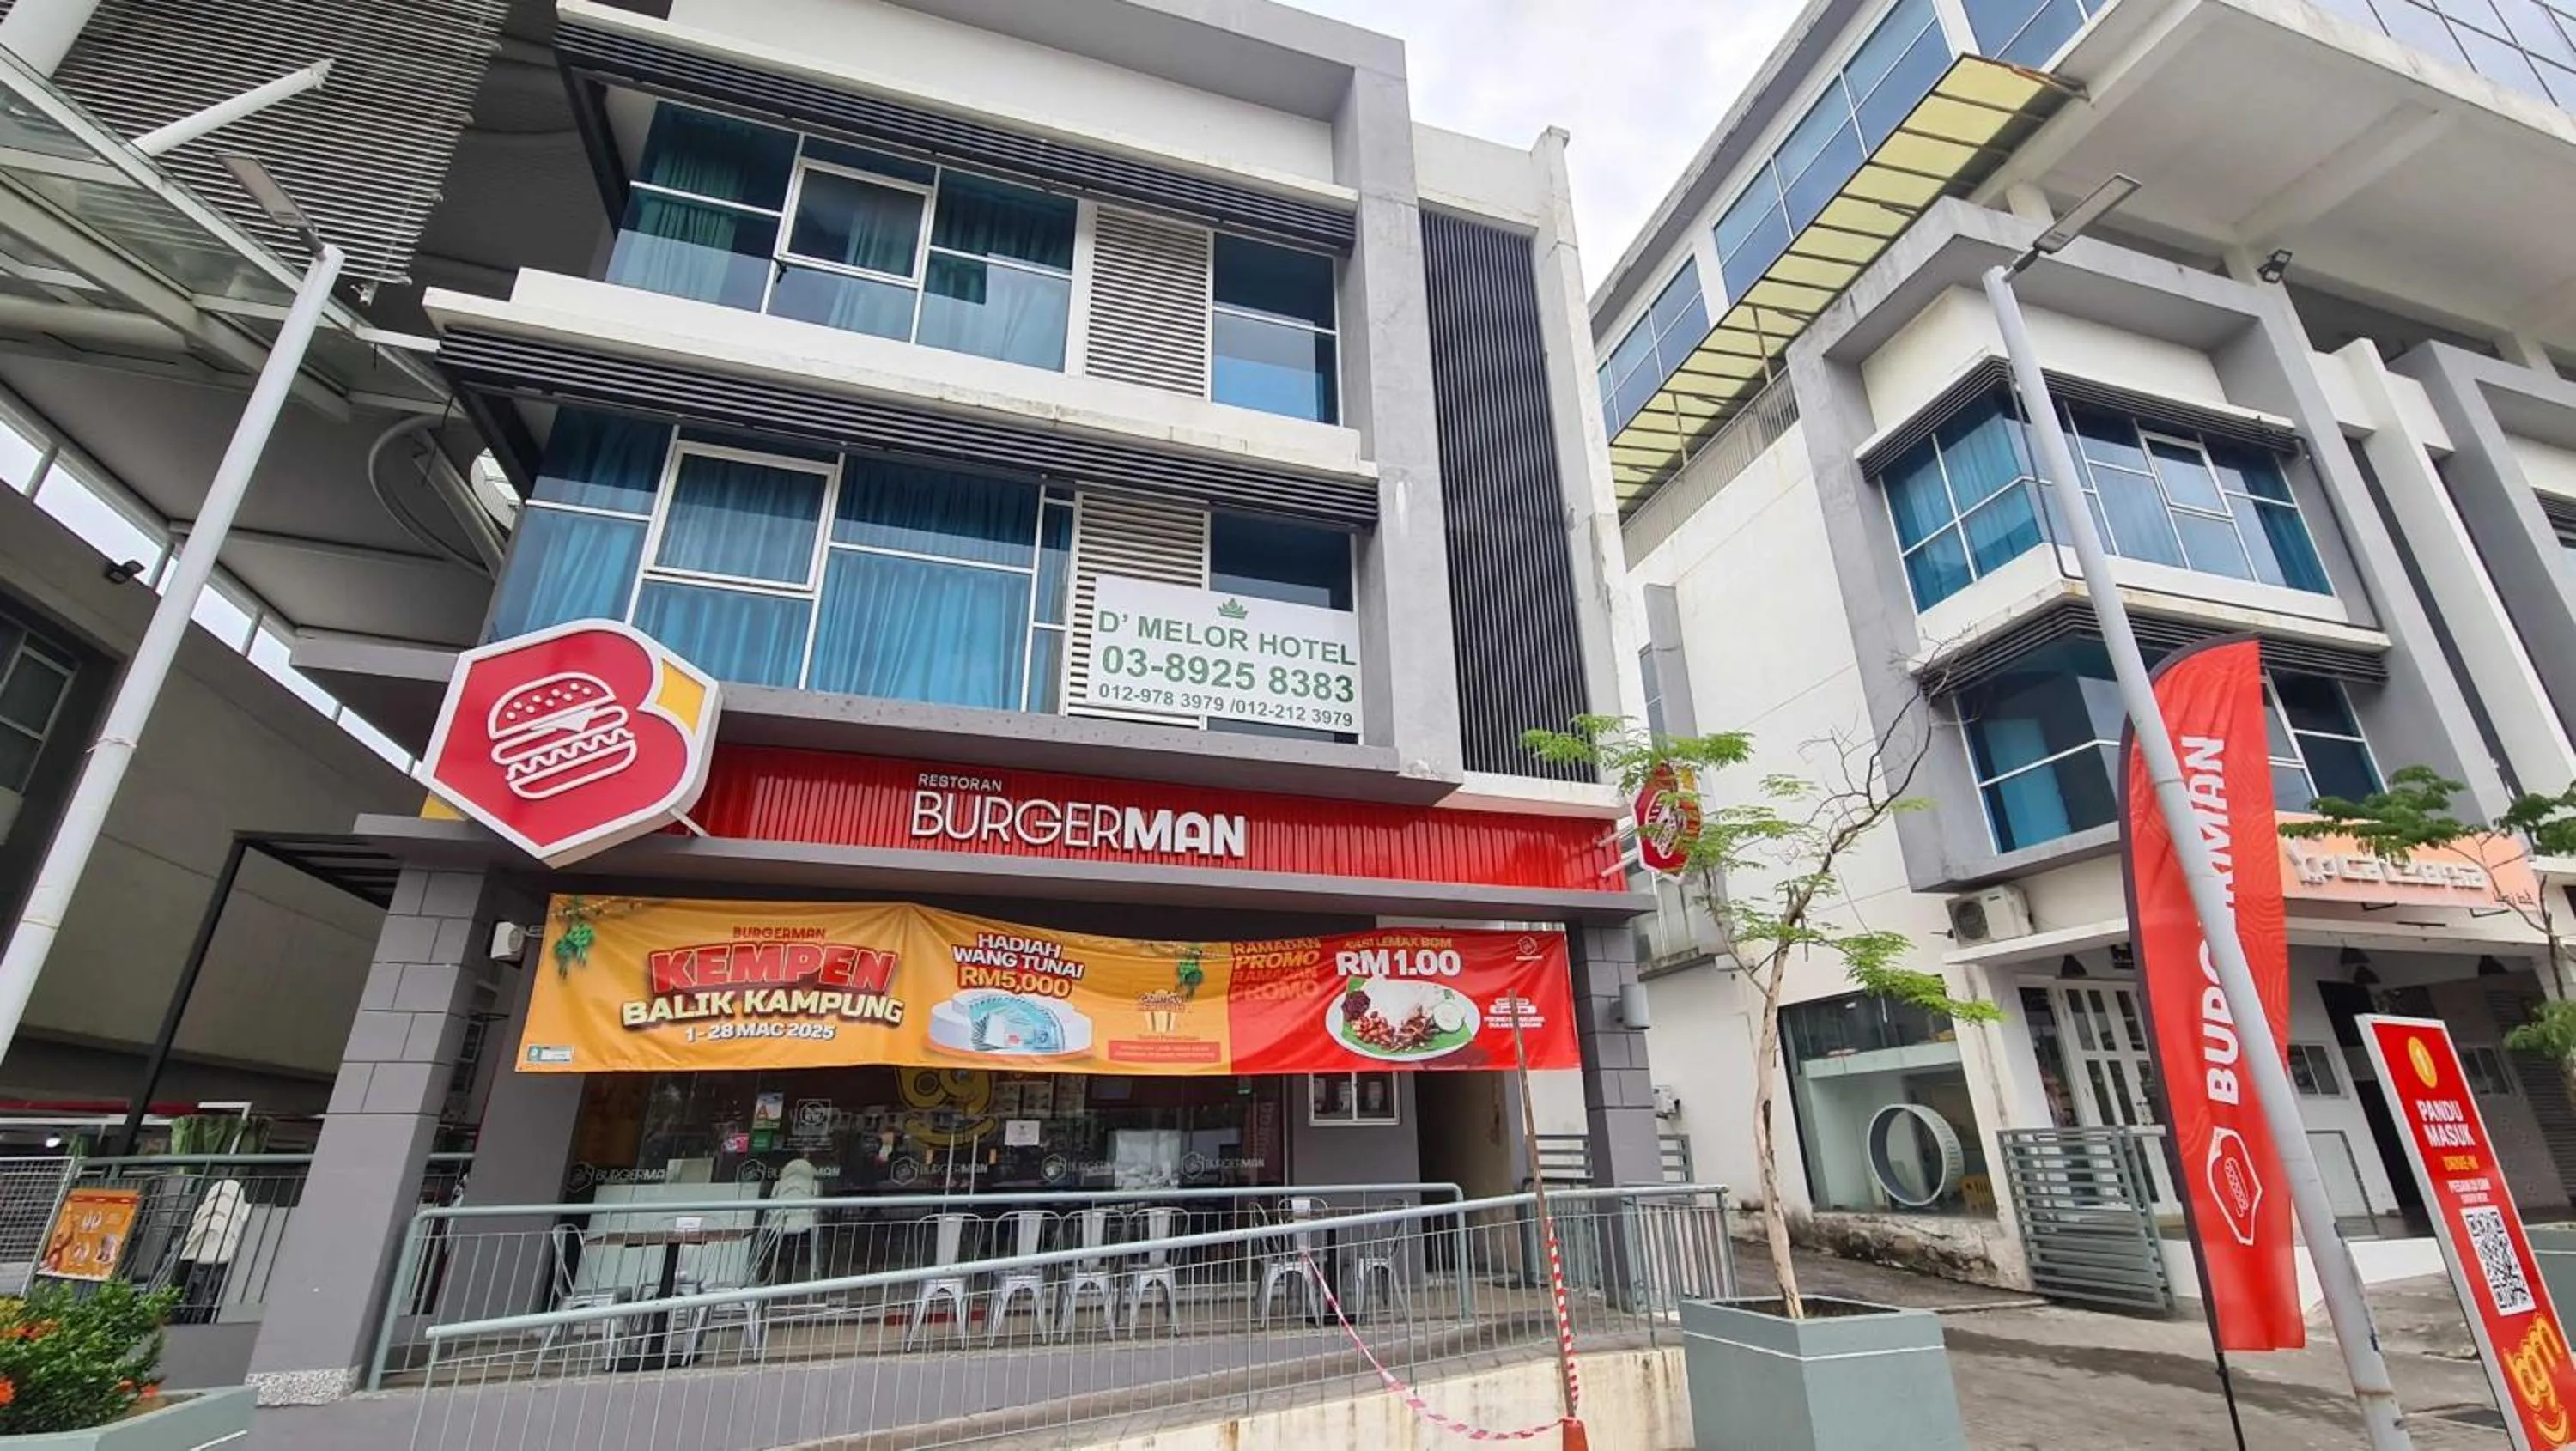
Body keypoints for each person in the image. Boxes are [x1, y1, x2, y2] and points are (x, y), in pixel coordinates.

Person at [173, 1177, 246, 1325]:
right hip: (216, 1248)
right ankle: (197, 1308)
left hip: (201, 1249)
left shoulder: (203, 1211)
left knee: (199, 1277)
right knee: (205, 1278)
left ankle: (188, 1308)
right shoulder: (239, 1210)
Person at [769, 1156, 819, 1284]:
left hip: (782, 1218)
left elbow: (771, 1202)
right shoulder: (812, 1184)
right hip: (799, 1218)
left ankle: (772, 1278)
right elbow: (816, 1203)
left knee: (776, 1246)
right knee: (781, 1247)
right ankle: (775, 1277)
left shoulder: (780, 1184)